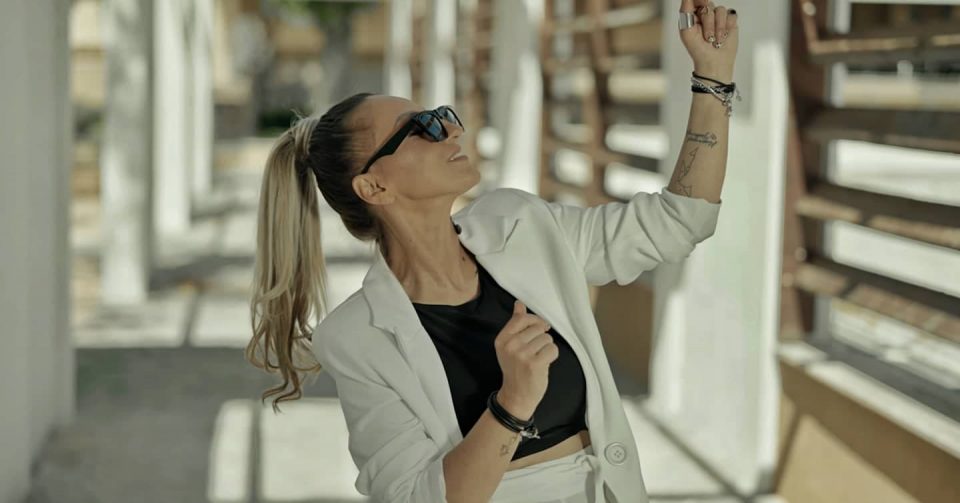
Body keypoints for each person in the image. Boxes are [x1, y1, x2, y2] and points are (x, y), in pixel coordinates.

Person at [246, 1, 738, 501]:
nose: (451, 129)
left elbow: (679, 221)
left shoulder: (520, 225)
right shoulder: (357, 337)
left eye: (441, 116)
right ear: (374, 187)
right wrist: (512, 402)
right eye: (421, 127)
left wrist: (712, 77)